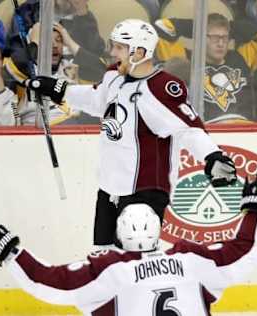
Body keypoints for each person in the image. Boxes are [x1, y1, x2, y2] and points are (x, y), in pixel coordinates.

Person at [26, 19, 237, 248]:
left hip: (144, 191)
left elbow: (189, 129)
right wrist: (58, 89)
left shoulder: (161, 88)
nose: (112, 52)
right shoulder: (113, 76)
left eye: (119, 47)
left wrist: (213, 156)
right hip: (110, 188)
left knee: (135, 264)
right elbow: (96, 99)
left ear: (139, 52)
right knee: (104, 261)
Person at [0, 166, 257, 316]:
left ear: (120, 236)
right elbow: (244, 250)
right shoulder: (191, 261)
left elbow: (47, 282)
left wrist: (8, 248)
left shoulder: (110, 270)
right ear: (158, 230)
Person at [153, 10, 257, 123]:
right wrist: (199, 28)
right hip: (209, 130)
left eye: (225, 38)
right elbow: (162, 27)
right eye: (215, 38)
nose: (220, 43)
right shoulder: (186, 59)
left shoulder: (242, 58)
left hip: (244, 129)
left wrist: (231, 27)